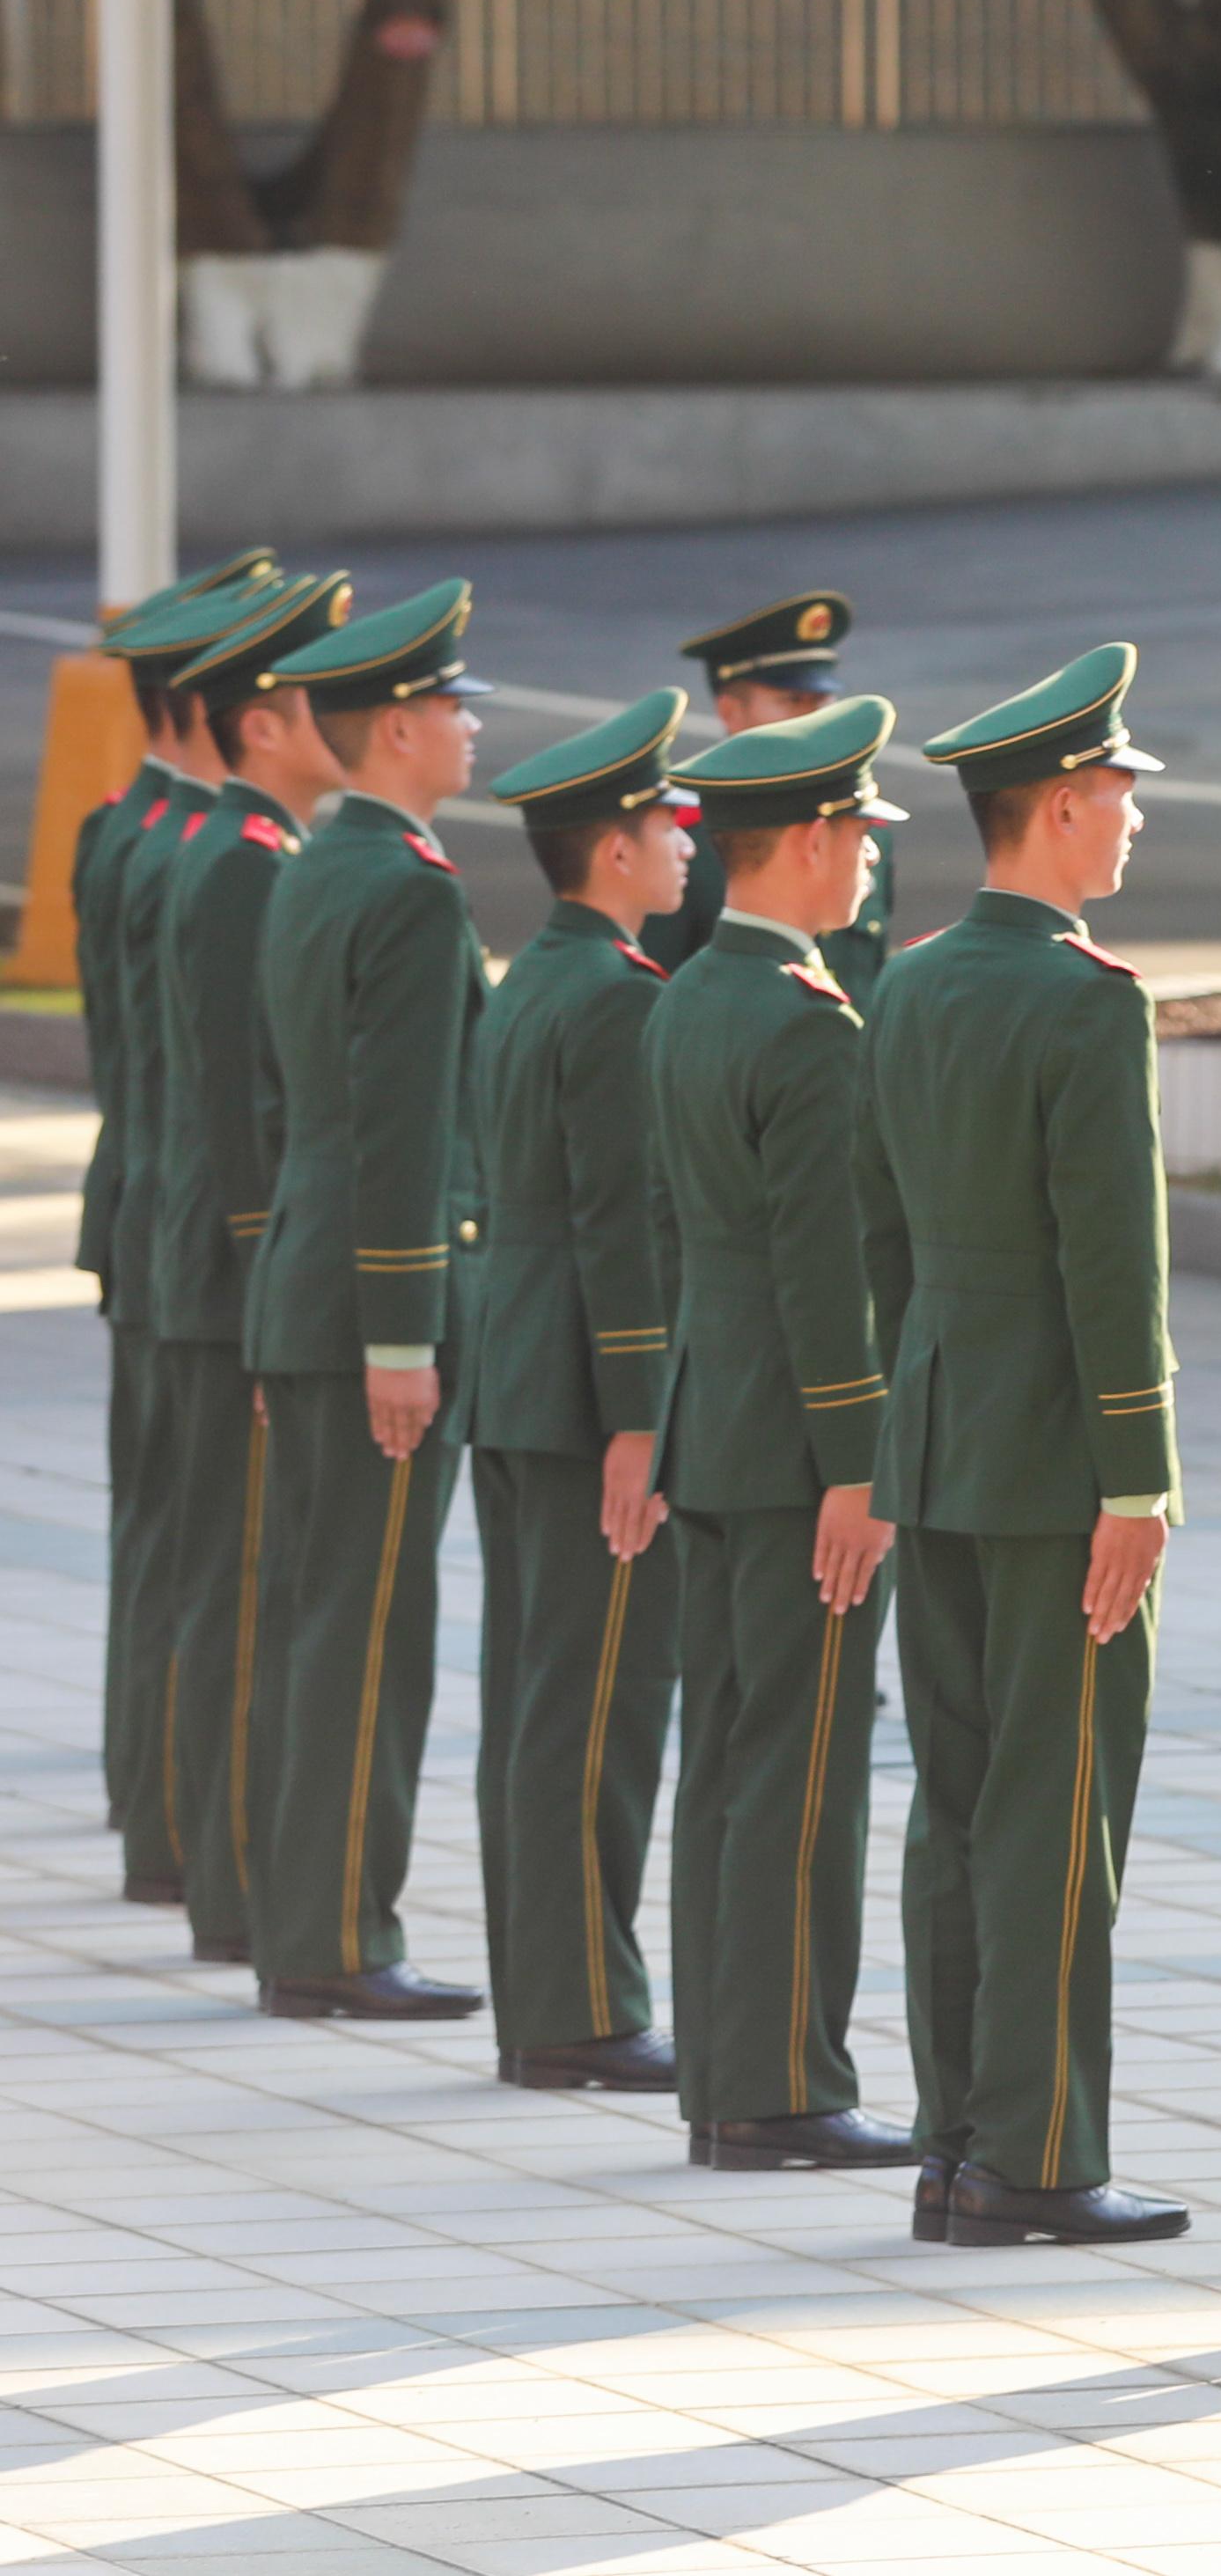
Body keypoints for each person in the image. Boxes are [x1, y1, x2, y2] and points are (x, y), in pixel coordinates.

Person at [876, 645, 1188, 2245]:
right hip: (1055, 1459)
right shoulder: (1084, 998)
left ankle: (952, 2141)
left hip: (936, 1439)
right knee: (1057, 1810)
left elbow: (882, 1232)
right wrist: (1137, 1474)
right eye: (1120, 793)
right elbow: (1110, 1263)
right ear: (1061, 803)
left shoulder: (909, 982)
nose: (1134, 819)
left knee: (955, 1799)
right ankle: (1040, 2156)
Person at [648, 698, 923, 2174]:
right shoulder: (807, 1023)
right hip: (795, 1452)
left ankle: (723, 2070)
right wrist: (859, 1463)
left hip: (713, 1422)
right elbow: (828, 1273)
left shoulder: (694, 988)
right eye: (862, 833)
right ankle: (782, 2086)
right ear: (812, 840)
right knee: (801, 1770)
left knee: (728, 1755)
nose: (871, 857)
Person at [236, 580, 498, 2026]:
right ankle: (339, 1933)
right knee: (367, 1625)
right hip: (368, 1309)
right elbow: (402, 1127)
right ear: (398, 725)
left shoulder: (319, 862)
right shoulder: (405, 886)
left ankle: (305, 1921)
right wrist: (404, 1331)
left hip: (309, 1283)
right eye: (454, 705)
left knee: (321, 1610)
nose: (471, 726)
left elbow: (289, 1104)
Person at [466, 692, 700, 2093]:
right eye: (668, 822)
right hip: (581, 1398)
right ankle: (580, 2010)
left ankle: (547, 1995)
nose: (686, 841)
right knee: (595, 1706)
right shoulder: (616, 997)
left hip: (519, 1376)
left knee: (539, 1694)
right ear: (614, 847)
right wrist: (639, 1416)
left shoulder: (537, 975)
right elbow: (621, 1225)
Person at [155, 568, 359, 1968]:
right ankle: (235, 1886)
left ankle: (238, 1878)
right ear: (268, 722)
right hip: (242, 1279)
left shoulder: (252, 849)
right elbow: (242, 1104)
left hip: (241, 1269)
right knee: (242, 1591)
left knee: (247, 1582)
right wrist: (258, 1276)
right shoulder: (244, 864)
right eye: (318, 696)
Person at [73, 552, 280, 1909]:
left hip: (150, 1213)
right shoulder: (221, 856)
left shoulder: (131, 827)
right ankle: (182, 1830)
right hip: (199, 1241)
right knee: (211, 1549)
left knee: (167, 1532)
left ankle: (155, 1802)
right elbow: (229, 1088)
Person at [650, 591, 888, 989]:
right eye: (792, 700)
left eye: (822, 700)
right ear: (730, 712)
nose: (813, 717)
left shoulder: (863, 832)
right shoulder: (684, 845)